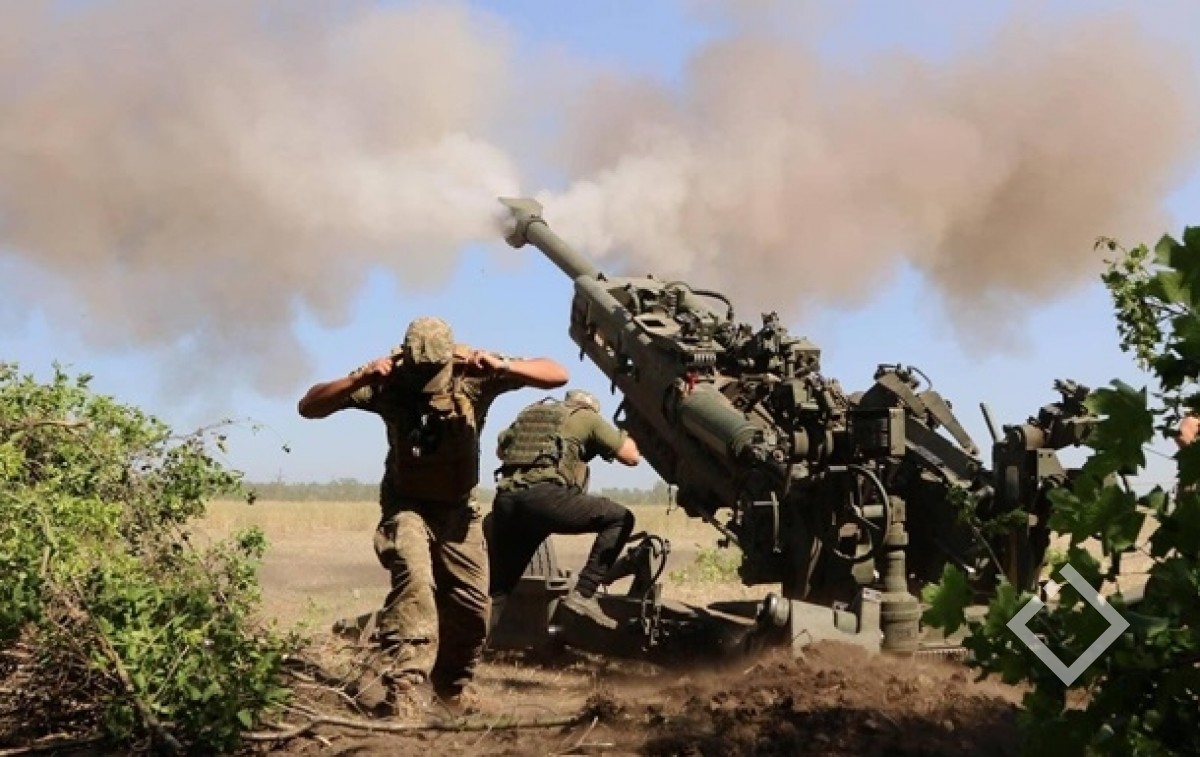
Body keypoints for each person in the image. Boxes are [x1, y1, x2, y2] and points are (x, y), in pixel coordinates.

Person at [297, 316, 567, 709]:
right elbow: (309, 406)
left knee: (473, 610)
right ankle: (404, 691)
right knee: (415, 587)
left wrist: (504, 366)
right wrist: (358, 379)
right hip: (407, 507)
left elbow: (557, 374)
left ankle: (451, 690)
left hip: (459, 513)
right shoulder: (386, 381)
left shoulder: (473, 375)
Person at [488, 389, 640, 632]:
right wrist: (630, 435)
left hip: (506, 501)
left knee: (499, 590)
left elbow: (500, 450)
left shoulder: (532, 414)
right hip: (545, 499)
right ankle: (584, 593)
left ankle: (468, 649)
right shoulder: (586, 417)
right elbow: (631, 457)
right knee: (620, 518)